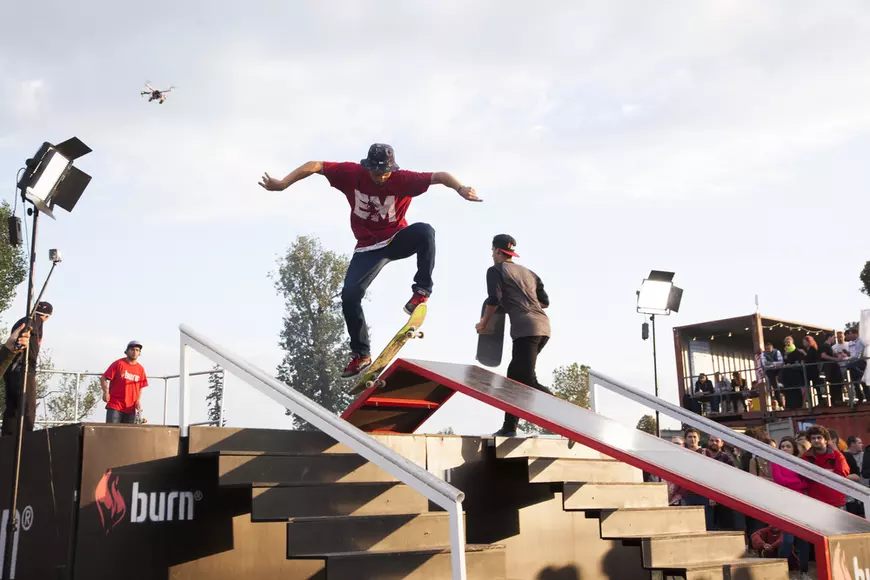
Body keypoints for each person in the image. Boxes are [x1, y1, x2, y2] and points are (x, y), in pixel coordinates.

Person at [258, 143, 481, 378]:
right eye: (376, 172)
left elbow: (441, 176)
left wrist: (460, 188)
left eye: (385, 173)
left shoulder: (404, 179)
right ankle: (361, 353)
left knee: (426, 231)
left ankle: (421, 291)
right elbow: (315, 165)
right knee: (349, 296)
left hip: (397, 239)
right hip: (367, 248)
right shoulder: (351, 173)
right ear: (368, 167)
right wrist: (283, 184)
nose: (381, 177)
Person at [475, 234, 550, 437]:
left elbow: (493, 299)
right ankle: (509, 427)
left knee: (525, 379)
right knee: (516, 379)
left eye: (493, 251)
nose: (492, 255)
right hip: (543, 327)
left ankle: (567, 416)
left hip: (526, 330)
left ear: (496, 251)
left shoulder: (495, 270)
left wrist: (484, 323)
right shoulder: (530, 273)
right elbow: (544, 302)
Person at [1, 301, 52, 436]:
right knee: (27, 408)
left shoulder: (22, 321)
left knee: (12, 406)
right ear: (47, 316)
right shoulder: (36, 322)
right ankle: (25, 439)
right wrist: (31, 366)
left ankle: (7, 439)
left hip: (10, 368)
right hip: (24, 368)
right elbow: (32, 347)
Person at [770, 436, 810, 579]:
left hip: (800, 502)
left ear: (794, 449)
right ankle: (780, 571)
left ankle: (804, 572)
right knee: (788, 539)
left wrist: (793, 483)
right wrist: (797, 483)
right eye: (783, 446)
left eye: (788, 446)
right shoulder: (775, 462)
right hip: (785, 503)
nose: (785, 449)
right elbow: (780, 480)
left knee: (804, 540)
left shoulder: (799, 463)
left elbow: (806, 482)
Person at [100, 341, 148, 424]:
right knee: (112, 430)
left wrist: (137, 401)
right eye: (132, 349)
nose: (135, 352)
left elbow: (140, 387)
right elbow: (103, 378)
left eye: (137, 350)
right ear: (127, 351)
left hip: (130, 408)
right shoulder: (119, 364)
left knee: (128, 431)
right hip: (115, 405)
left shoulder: (140, 369)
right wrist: (105, 392)